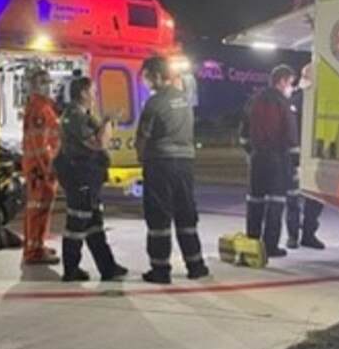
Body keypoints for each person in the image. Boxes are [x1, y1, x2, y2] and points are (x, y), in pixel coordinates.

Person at [135, 55, 208, 284]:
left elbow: (142, 138)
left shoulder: (154, 103)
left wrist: (142, 157)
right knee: (186, 214)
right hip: (185, 164)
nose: (145, 83)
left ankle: (160, 269)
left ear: (156, 75)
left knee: (159, 218)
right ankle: (196, 265)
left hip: (160, 163)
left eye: (146, 77)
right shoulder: (184, 100)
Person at [54, 76, 128, 281]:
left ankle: (108, 267)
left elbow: (104, 138)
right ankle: (71, 269)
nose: (95, 95)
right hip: (80, 176)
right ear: (83, 93)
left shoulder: (85, 115)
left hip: (89, 177)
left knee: (94, 223)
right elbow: (98, 143)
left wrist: (108, 121)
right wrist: (106, 120)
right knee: (77, 223)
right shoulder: (75, 117)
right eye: (93, 91)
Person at [239, 64, 297, 258]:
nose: (291, 87)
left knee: (254, 201)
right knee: (276, 202)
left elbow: (243, 134)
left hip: (257, 159)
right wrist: (295, 163)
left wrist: (251, 151)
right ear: (281, 81)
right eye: (290, 83)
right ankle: (270, 246)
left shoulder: (253, 100)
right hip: (277, 159)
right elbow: (290, 135)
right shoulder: (283, 104)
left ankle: (252, 243)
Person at [21, 67, 61, 265]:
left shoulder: (42, 106)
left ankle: (35, 246)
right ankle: (34, 252)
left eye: (48, 81)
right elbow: (39, 144)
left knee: (37, 209)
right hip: (41, 170)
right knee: (38, 210)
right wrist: (48, 169)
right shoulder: (40, 108)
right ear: (35, 85)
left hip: (39, 168)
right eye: (43, 82)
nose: (48, 85)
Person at [285, 63, 324, 249]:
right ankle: (295, 235)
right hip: (296, 156)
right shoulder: (296, 100)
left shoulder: (313, 99)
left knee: (315, 197)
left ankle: (307, 234)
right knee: (294, 196)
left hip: (314, 156)